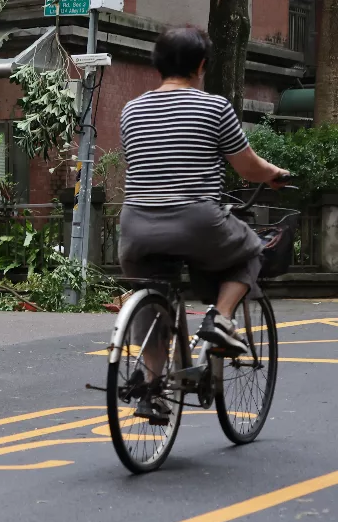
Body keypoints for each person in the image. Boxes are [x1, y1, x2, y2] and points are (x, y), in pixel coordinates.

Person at [118, 26, 288, 422]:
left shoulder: (130, 109)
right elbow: (246, 166)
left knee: (152, 291)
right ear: (200, 65)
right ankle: (221, 319)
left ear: (157, 65)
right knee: (252, 247)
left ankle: (152, 387)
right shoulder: (214, 107)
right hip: (195, 220)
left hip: (136, 225)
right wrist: (273, 173)